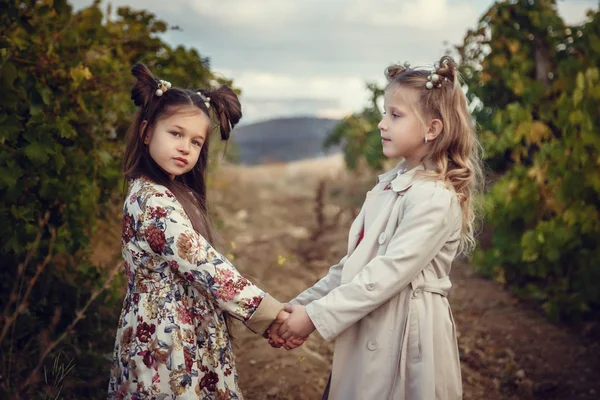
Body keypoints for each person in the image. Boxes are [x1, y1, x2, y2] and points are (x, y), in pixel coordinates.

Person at [274, 55, 483, 399]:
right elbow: (352, 268)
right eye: (384, 113)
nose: (381, 124)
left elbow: (386, 274)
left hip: (407, 338)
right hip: (373, 326)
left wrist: (313, 317)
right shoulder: (390, 186)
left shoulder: (434, 197)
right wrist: (298, 308)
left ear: (432, 128)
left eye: (395, 115)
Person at [108, 62, 288, 399]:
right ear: (147, 132)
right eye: (175, 134)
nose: (184, 148)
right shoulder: (152, 202)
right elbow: (205, 265)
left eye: (195, 142)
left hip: (186, 331)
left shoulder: (174, 193)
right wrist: (270, 313)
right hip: (167, 341)